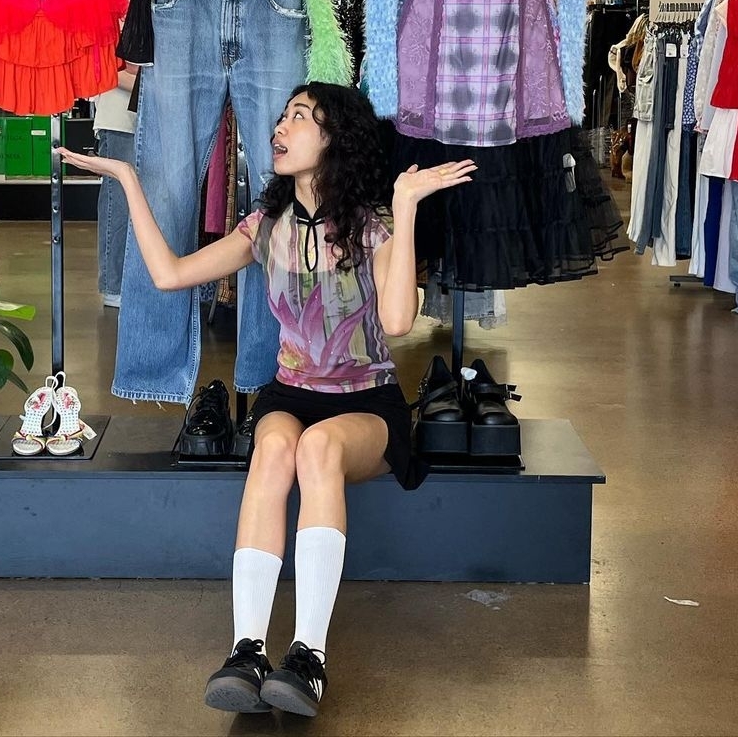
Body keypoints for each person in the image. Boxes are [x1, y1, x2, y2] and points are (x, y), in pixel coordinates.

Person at [58, 82, 475, 718]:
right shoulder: (265, 225)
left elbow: (395, 324)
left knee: (318, 446)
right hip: (291, 393)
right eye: (281, 117)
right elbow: (170, 275)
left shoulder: (373, 224)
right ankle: (248, 648)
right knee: (275, 443)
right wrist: (127, 179)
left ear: (334, 137)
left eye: (300, 118)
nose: (281, 128)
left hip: (368, 403)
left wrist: (406, 204)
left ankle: (309, 656)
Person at [93, 0, 138, 308]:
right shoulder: (106, 11)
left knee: (129, 201)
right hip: (117, 117)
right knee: (117, 204)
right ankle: (113, 285)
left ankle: (124, 282)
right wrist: (146, 83)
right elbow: (107, 71)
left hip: (136, 117)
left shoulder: (133, 9)